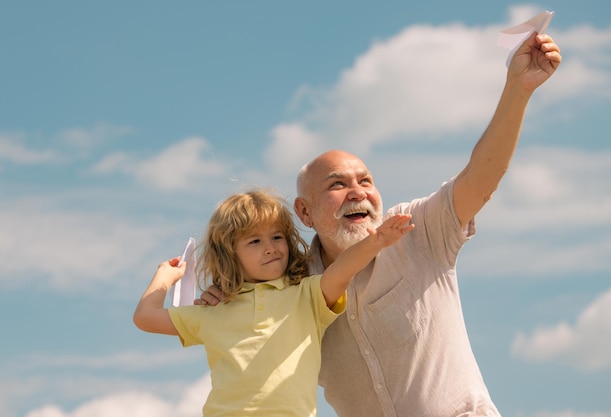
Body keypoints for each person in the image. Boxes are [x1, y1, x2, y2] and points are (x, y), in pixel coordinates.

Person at [199, 32, 562, 416]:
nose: (358, 192)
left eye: (366, 181)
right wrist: (226, 296)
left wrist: (518, 89)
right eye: (337, 184)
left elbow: (480, 179)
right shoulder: (294, 287)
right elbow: (247, 313)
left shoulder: (416, 228)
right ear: (304, 213)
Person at [133, 189, 413, 417]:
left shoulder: (306, 296)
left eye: (277, 237)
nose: (270, 247)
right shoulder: (213, 311)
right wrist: (164, 276)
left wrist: (376, 242)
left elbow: (342, 270)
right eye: (254, 241)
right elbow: (146, 317)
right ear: (230, 255)